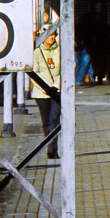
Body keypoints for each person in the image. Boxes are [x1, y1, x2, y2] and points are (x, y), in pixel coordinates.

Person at [32, 28, 62, 159]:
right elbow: (34, 72)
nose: (52, 37)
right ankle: (50, 145)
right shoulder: (37, 52)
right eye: (49, 35)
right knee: (45, 122)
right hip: (41, 93)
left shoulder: (60, 51)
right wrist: (44, 87)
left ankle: (52, 148)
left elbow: (64, 70)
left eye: (54, 35)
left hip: (56, 92)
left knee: (54, 120)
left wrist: (56, 86)